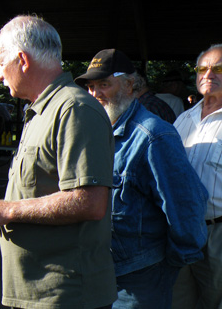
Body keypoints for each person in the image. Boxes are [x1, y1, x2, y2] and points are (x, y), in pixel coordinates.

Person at [0, 15, 117, 309]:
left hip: (64, 295)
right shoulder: (43, 110)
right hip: (40, 291)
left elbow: (90, 202)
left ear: (22, 60)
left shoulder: (74, 108)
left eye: (1, 64)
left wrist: (5, 210)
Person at [76, 48, 208, 308]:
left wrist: (170, 264)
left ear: (129, 85)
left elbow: (186, 206)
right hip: (102, 271)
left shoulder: (154, 136)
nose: (95, 94)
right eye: (91, 86)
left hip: (141, 278)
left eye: (104, 84)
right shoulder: (95, 132)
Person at [172, 43, 222, 309]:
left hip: (218, 233)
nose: (208, 74)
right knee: (179, 300)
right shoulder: (183, 119)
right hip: (181, 230)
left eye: (218, 68)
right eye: (203, 68)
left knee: (215, 300)